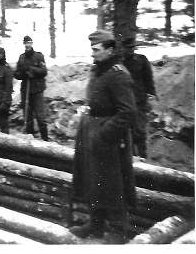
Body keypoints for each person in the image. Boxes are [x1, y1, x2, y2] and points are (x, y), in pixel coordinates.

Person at [70, 30, 137, 240]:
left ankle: (118, 230)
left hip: (109, 139)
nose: (92, 53)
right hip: (93, 133)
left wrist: (104, 135)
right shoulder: (98, 70)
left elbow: (128, 112)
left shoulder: (118, 74)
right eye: (91, 49)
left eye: (96, 49)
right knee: (94, 179)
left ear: (109, 50)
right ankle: (96, 225)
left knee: (113, 183)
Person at [122, 36, 157, 158]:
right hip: (125, 101)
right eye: (128, 48)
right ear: (123, 48)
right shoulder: (119, 63)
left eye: (132, 48)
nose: (130, 50)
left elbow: (149, 78)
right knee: (127, 131)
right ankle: (130, 157)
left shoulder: (141, 60)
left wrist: (151, 93)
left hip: (140, 101)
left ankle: (143, 156)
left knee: (140, 130)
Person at [13, 35, 49, 140]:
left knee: (40, 117)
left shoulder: (39, 56)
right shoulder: (21, 57)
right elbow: (16, 74)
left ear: (32, 43)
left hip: (37, 90)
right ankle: (30, 140)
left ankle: (45, 140)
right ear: (24, 44)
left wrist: (32, 69)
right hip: (26, 90)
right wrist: (23, 73)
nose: (27, 45)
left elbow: (44, 71)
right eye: (26, 43)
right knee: (27, 118)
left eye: (29, 42)